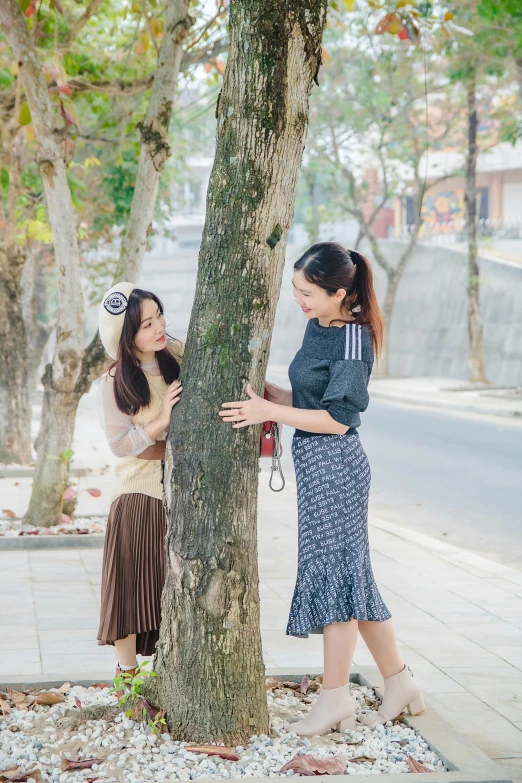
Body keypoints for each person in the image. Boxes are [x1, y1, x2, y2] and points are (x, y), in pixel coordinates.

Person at [219, 242, 424, 735]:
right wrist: (277, 398)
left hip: (337, 466)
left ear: (340, 293)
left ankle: (334, 699)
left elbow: (337, 419)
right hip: (316, 466)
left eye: (308, 292)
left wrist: (270, 413)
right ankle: (400, 684)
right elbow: (314, 400)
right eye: (295, 289)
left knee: (336, 579)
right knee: (353, 579)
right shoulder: (319, 327)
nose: (299, 299)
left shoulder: (353, 340)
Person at [96, 282, 183, 676]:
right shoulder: (114, 380)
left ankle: (170, 675)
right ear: (127, 335)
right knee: (130, 594)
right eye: (147, 324)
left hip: (180, 492)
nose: (159, 327)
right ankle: (127, 679)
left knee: (174, 591)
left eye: (159, 315)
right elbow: (120, 444)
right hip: (138, 494)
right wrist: (162, 422)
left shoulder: (175, 355)